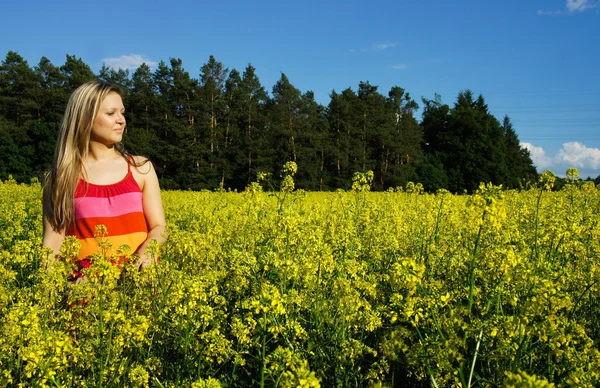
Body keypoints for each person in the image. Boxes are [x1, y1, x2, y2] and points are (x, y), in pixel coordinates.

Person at [42, 80, 166, 275]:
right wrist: (53, 291)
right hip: (85, 294)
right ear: (85, 119)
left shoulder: (140, 169)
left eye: (122, 112)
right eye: (111, 113)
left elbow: (159, 227)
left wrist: (149, 251)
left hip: (137, 287)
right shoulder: (61, 178)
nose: (121, 120)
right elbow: (52, 245)